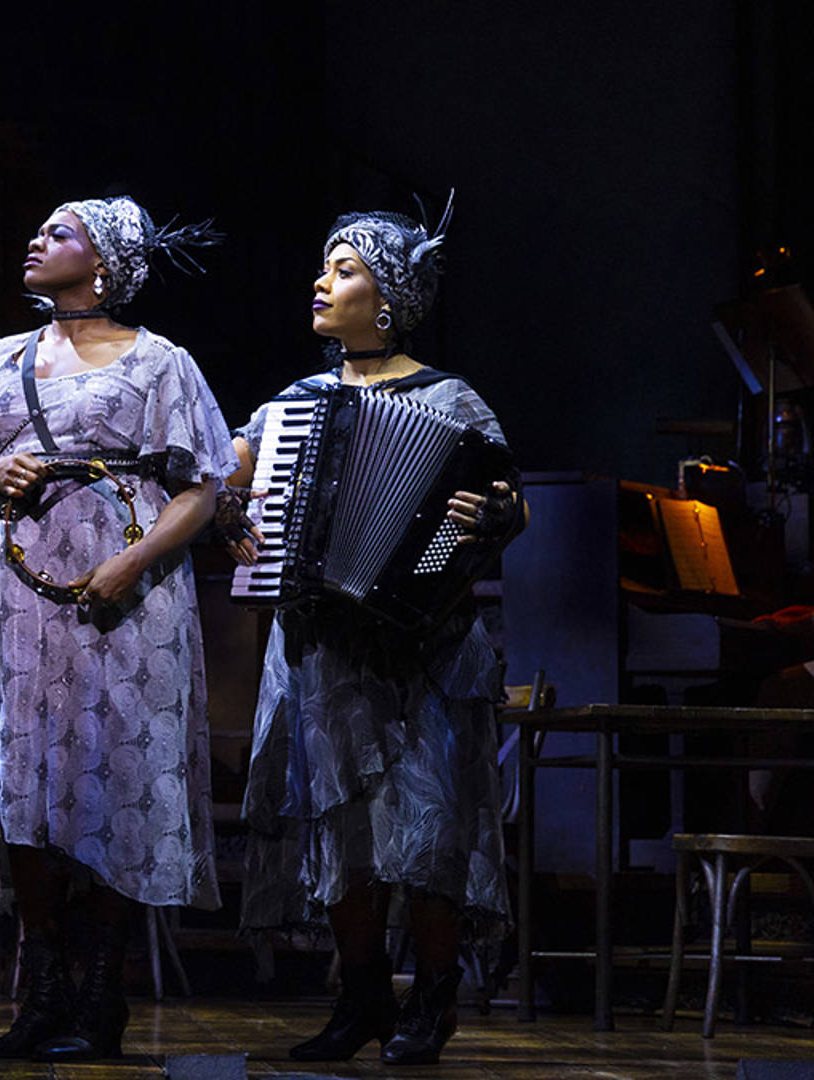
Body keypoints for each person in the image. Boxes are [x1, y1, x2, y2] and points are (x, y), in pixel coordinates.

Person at [0, 196, 235, 1061]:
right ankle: (44, 985)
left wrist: (131, 563)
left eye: (59, 232)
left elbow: (204, 486)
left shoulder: (161, 362)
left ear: (104, 264)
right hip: (18, 598)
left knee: (112, 775)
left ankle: (105, 990)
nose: (34, 239)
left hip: (125, 595)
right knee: (24, 780)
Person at [227, 198, 524, 1067]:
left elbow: (508, 502)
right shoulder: (292, 407)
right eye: (324, 267)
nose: (322, 282)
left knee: (429, 832)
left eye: (344, 268)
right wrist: (236, 518)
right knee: (342, 833)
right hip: (324, 650)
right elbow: (231, 486)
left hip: (426, 650)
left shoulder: (452, 399)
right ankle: (362, 1002)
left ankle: (432, 1007)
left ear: (387, 297)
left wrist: (490, 515)